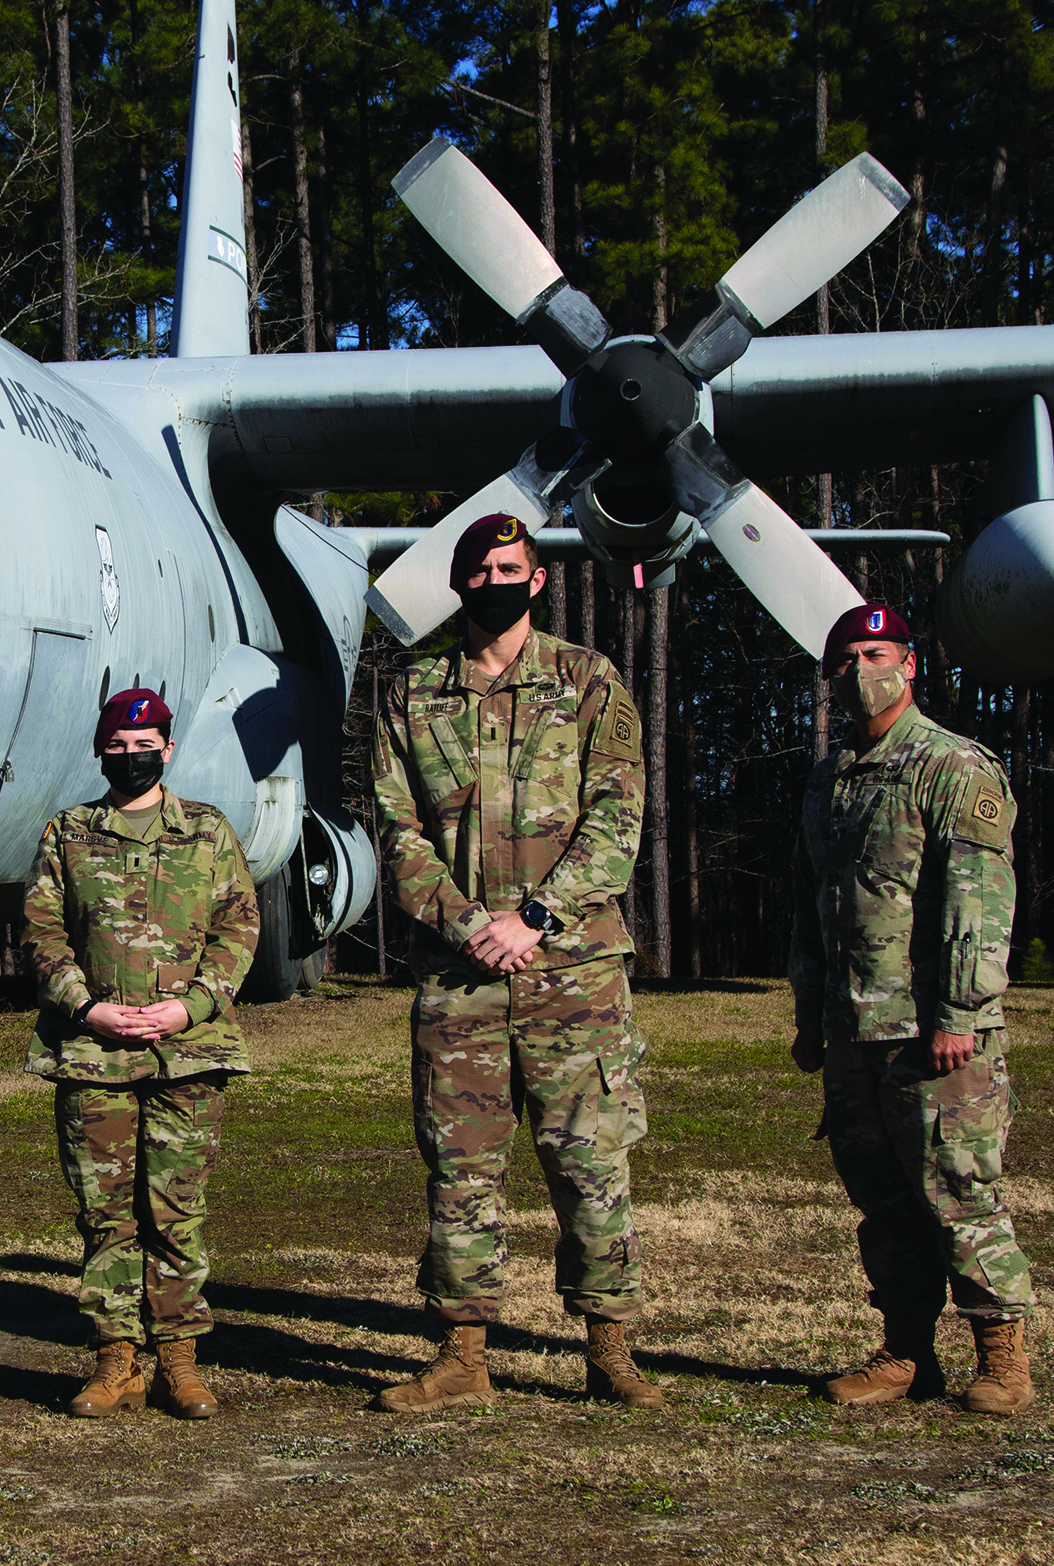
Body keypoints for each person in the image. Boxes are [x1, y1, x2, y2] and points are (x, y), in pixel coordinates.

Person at [369, 514, 662, 1412]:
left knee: (589, 1161)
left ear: (537, 581)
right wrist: (467, 926)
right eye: (479, 569)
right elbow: (395, 827)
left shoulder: (586, 682)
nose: (495, 580)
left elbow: (617, 814)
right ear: (457, 584)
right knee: (460, 1166)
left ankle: (608, 1348)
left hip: (571, 971)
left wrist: (533, 917)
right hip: (460, 978)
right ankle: (462, 1357)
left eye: (510, 567)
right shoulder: (411, 691)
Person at [790, 603, 1034, 1415]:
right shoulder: (831, 775)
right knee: (884, 1205)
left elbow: (978, 902)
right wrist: (807, 1015)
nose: (862, 669)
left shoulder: (952, 766)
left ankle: (1002, 1357)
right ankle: (905, 1354)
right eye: (847, 658)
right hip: (853, 1027)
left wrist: (960, 1014)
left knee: (959, 1191)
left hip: (933, 1031)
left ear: (908, 664)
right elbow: (814, 903)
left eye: (876, 652)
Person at [19, 688, 261, 1420]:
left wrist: (191, 1004)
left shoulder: (208, 832)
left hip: (187, 1054)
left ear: (169, 746)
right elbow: (40, 931)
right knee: (105, 1215)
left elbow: (239, 928)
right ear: (100, 752)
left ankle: (179, 1363)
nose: (132, 757)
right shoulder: (68, 834)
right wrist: (85, 1006)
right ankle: (114, 1360)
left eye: (145, 743)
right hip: (94, 1055)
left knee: (176, 1212)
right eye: (118, 748)